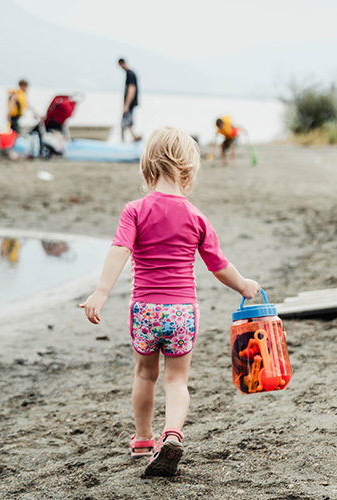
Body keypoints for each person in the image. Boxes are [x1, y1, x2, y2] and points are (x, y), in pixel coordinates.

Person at [79, 126, 260, 477]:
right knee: (176, 381)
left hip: (145, 311)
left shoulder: (135, 210)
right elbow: (219, 266)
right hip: (182, 313)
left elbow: (120, 249)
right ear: (189, 172)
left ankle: (145, 438)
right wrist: (244, 286)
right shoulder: (196, 217)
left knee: (145, 375)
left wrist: (101, 292)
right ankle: (172, 433)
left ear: (147, 171)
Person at [118, 58, 142, 142]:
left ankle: (123, 142)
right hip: (130, 104)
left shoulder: (130, 74)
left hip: (130, 104)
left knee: (123, 124)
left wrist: (126, 105)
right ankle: (134, 137)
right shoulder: (130, 73)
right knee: (128, 123)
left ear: (122, 63)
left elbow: (132, 89)